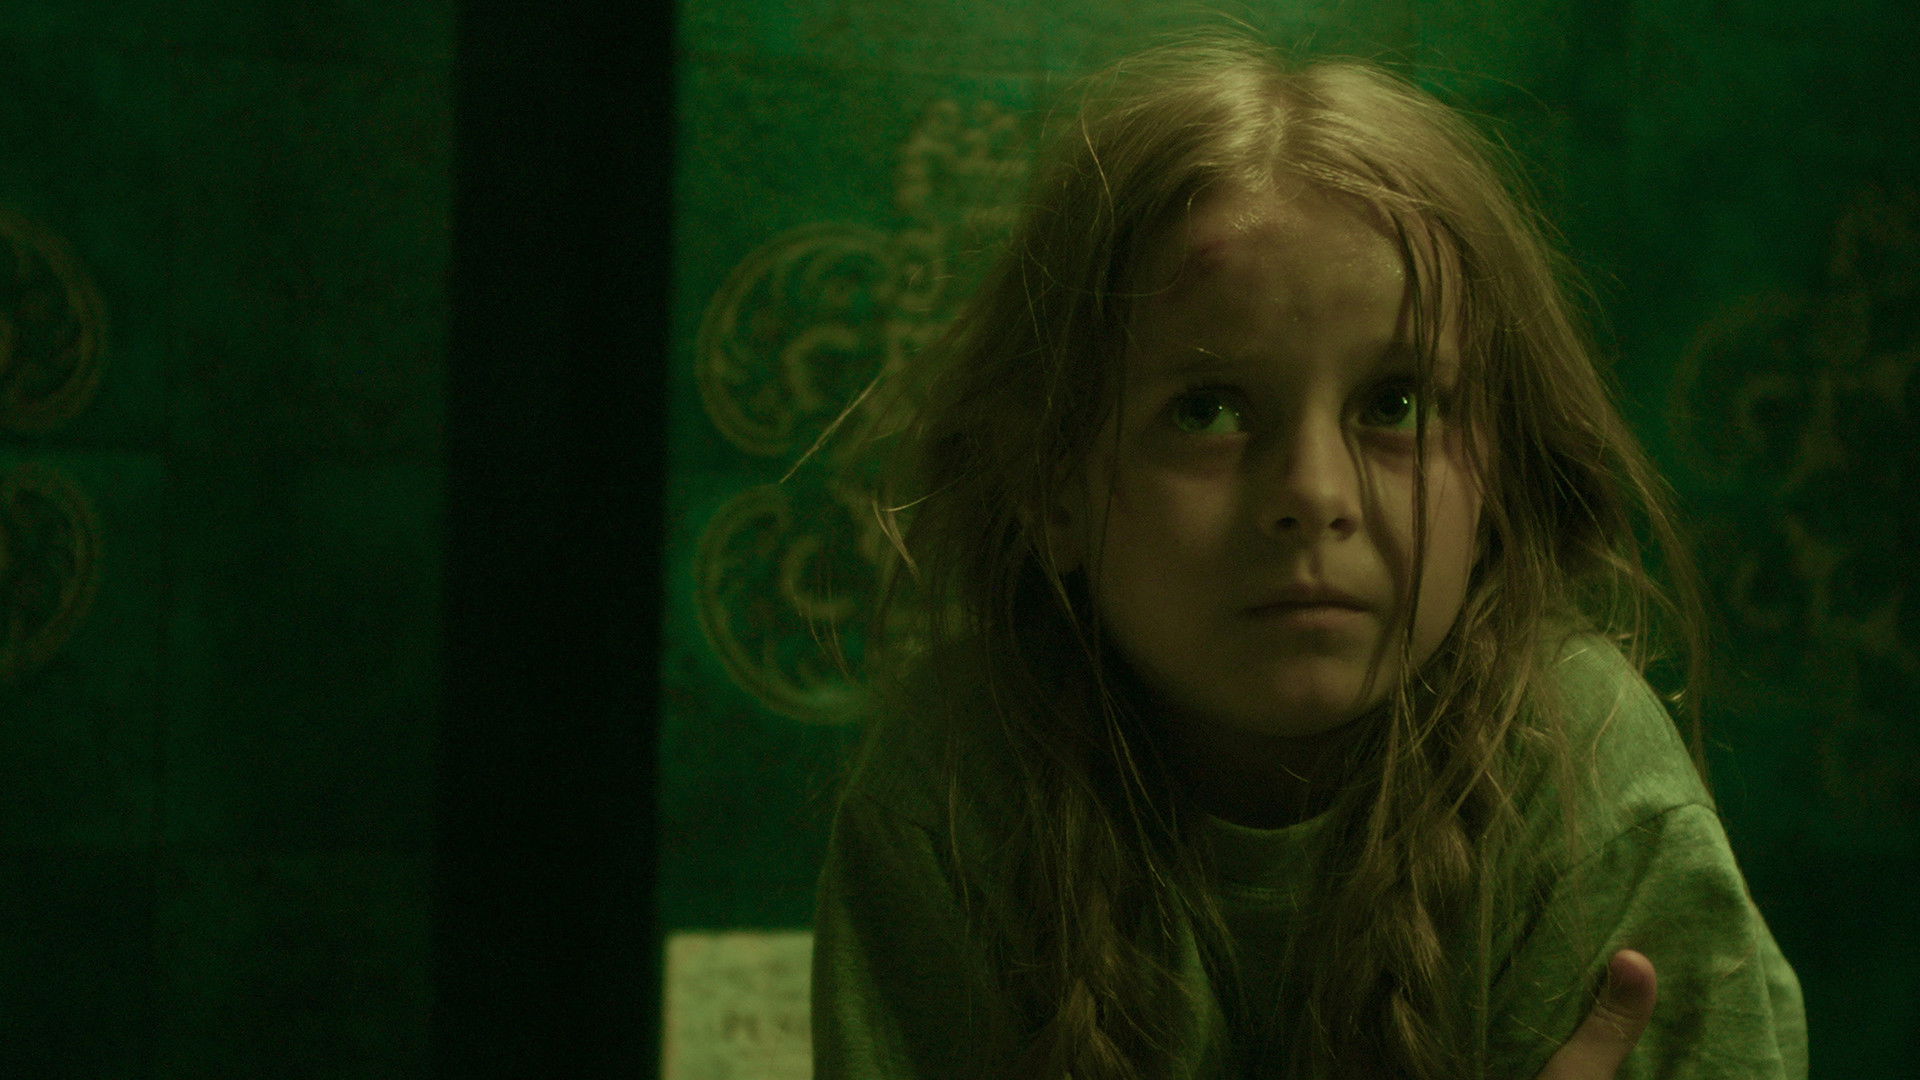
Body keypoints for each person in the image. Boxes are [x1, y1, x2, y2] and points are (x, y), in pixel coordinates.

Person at [810, 32, 1805, 1079]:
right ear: (1050, 483)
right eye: (1207, 410)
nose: (1315, 497)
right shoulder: (957, 790)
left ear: (1497, 481)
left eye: (1397, 404)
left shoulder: (1581, 772)